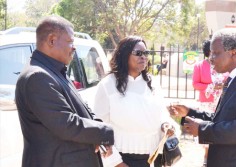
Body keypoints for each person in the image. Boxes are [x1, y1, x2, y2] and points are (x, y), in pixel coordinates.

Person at [15, 15, 114, 167]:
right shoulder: (37, 76)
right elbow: (66, 124)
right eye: (70, 42)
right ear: (52, 40)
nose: (74, 47)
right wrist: (105, 132)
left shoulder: (54, 70)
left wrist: (97, 135)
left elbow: (82, 108)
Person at [168, 28, 236, 167]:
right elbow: (222, 118)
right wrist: (189, 112)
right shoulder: (235, 78)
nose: (211, 59)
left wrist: (202, 130)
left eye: (215, 53)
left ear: (233, 52)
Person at [93, 36, 179, 167]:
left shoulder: (152, 82)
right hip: (123, 159)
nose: (143, 57)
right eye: (138, 53)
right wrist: (117, 163)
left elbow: (162, 114)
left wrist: (166, 125)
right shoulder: (108, 84)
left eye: (146, 53)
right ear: (124, 55)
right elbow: (99, 128)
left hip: (154, 157)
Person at [192, 40, 226, 167]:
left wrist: (222, 85)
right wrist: (210, 86)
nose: (214, 54)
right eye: (212, 51)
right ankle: (206, 158)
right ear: (207, 52)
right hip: (205, 104)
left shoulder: (222, 65)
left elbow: (228, 80)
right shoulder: (199, 66)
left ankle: (216, 157)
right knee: (206, 129)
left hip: (220, 103)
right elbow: (195, 84)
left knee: (217, 129)